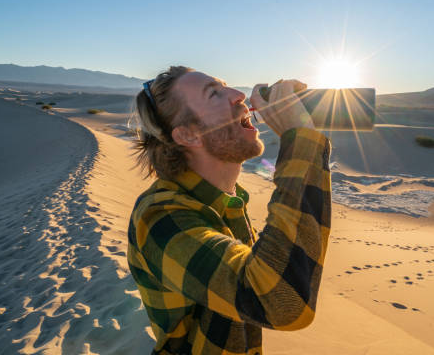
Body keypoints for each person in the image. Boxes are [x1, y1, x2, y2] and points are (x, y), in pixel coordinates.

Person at [127, 66, 332, 355]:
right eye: (214, 93)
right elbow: (279, 302)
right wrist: (300, 140)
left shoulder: (226, 201)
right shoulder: (161, 217)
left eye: (227, 87)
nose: (238, 94)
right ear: (189, 135)